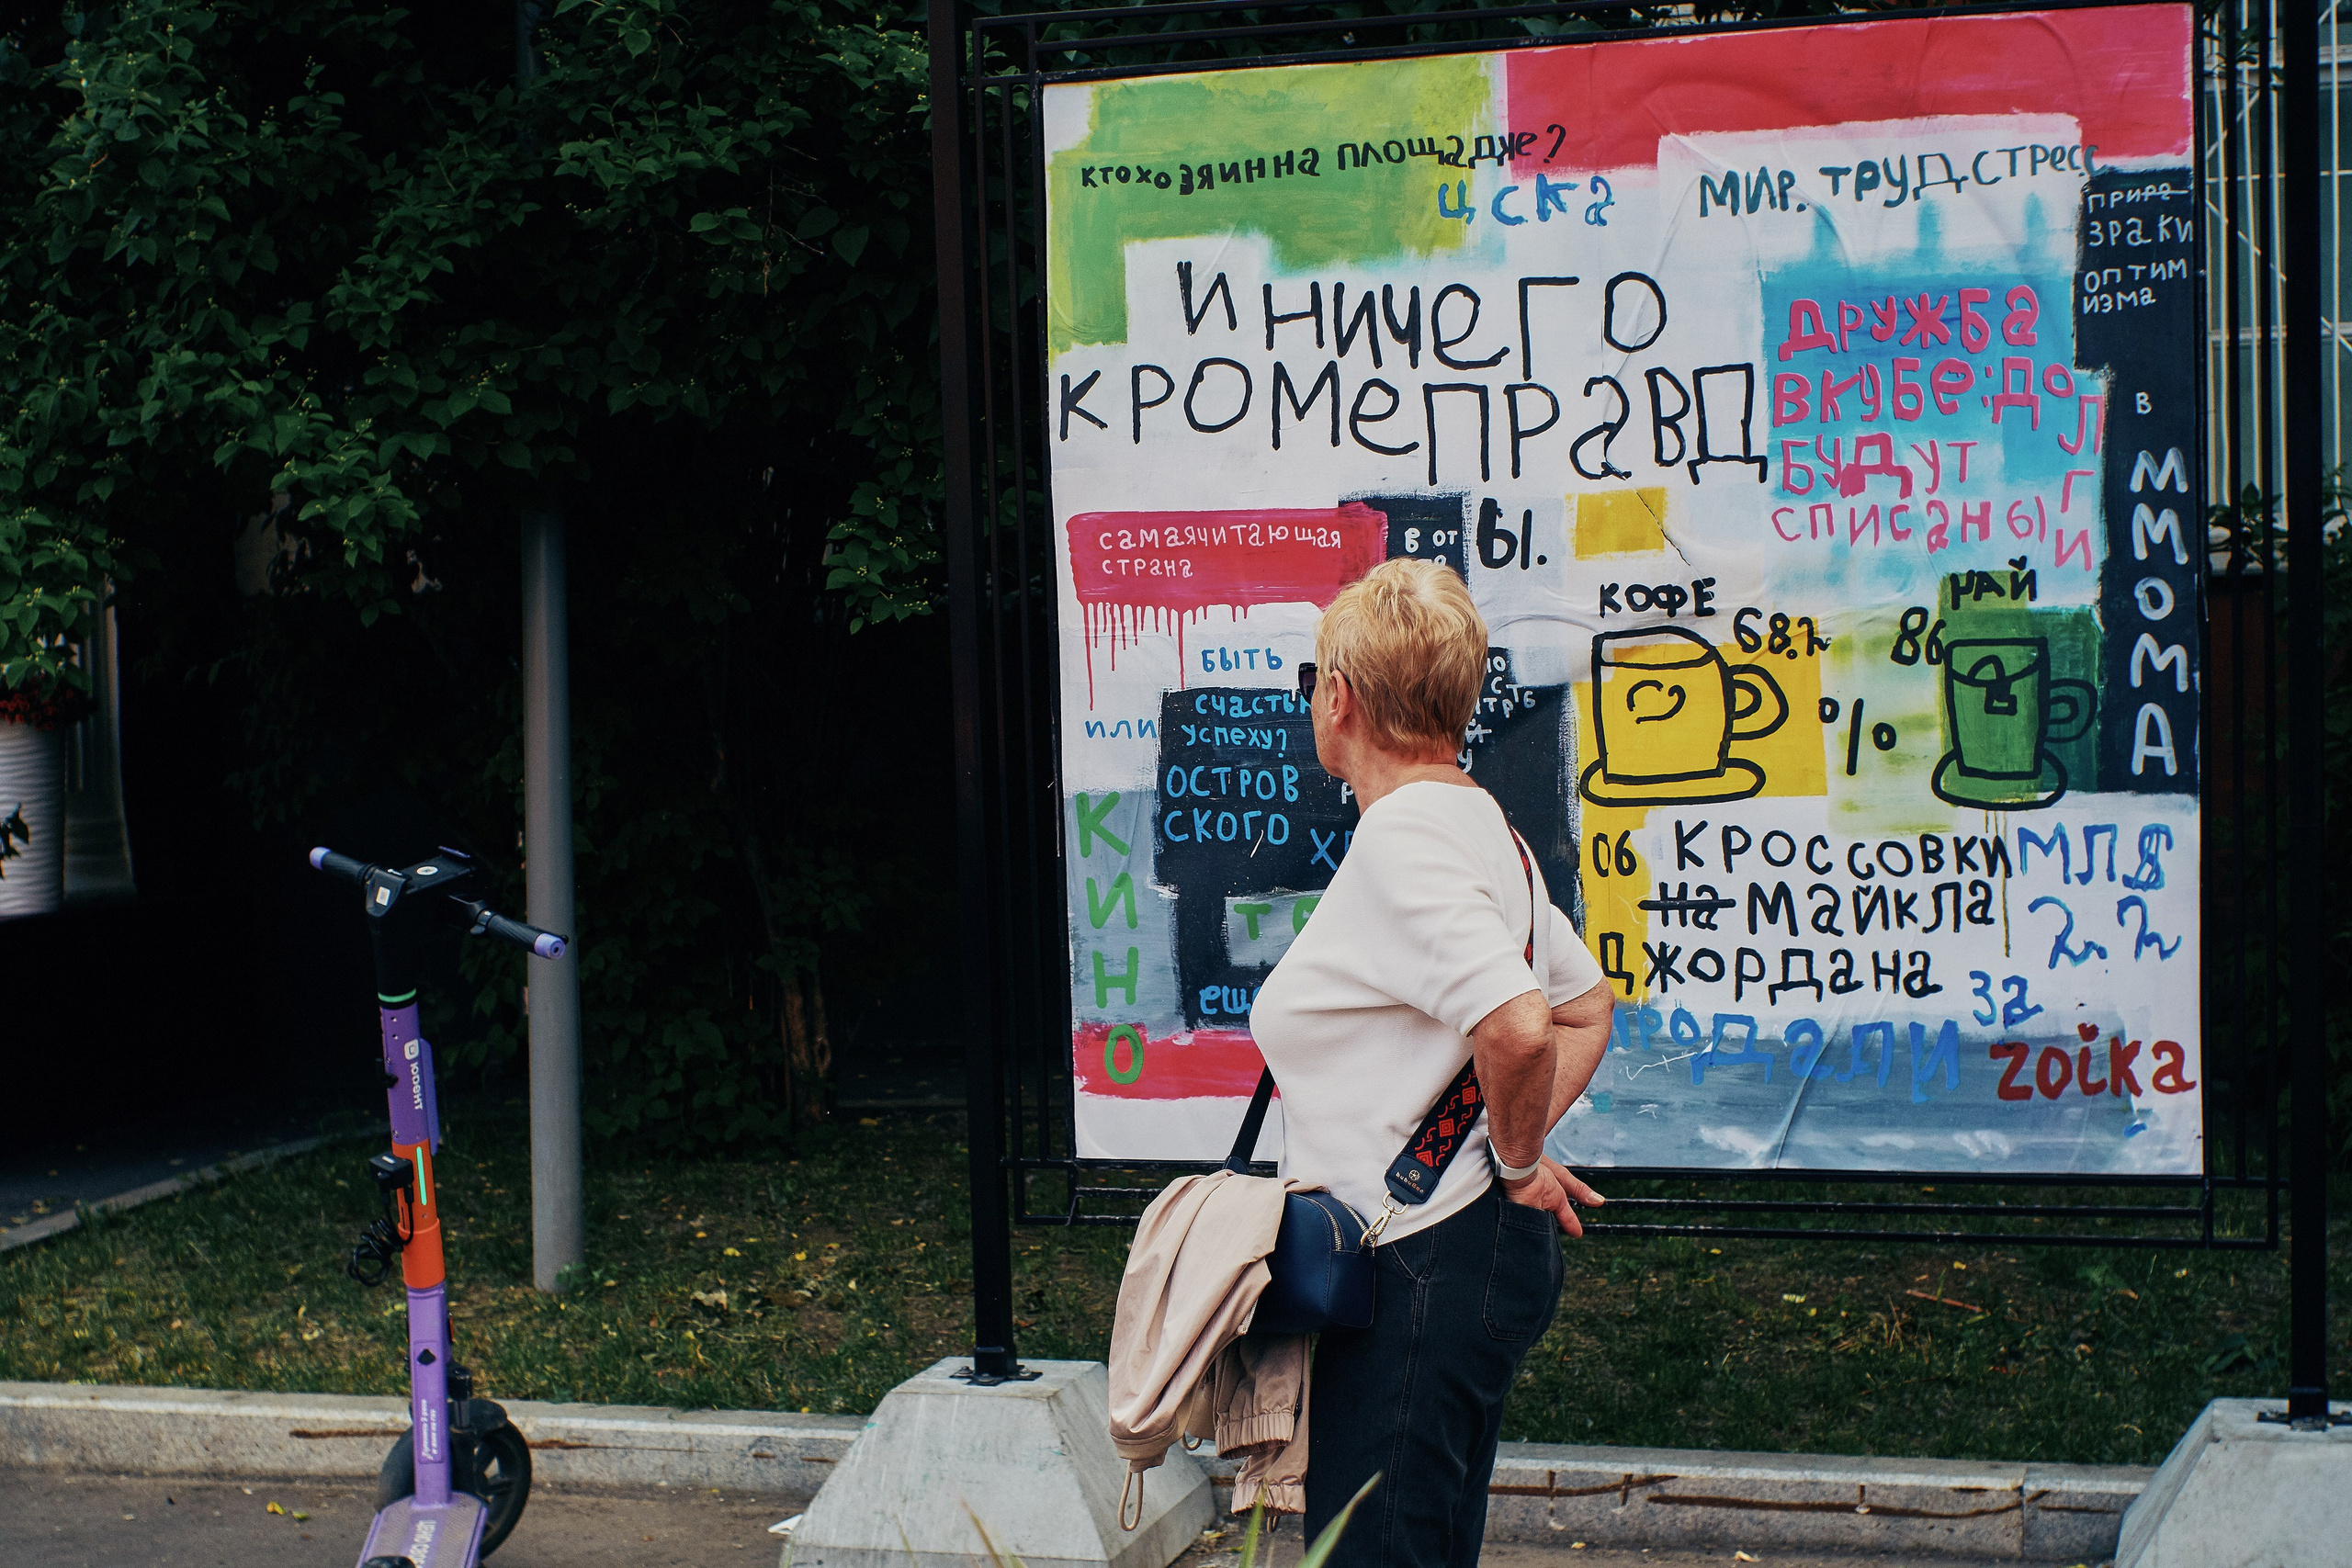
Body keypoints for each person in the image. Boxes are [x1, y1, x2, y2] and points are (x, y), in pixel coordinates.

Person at [1248, 557, 1615, 1568]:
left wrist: (1512, 1158)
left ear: (1339, 697)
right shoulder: (1478, 825)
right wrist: (1500, 1149)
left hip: (1415, 1263)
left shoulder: (1406, 837)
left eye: (1313, 682)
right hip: (1447, 1254)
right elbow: (1585, 1007)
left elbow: (1526, 1026)